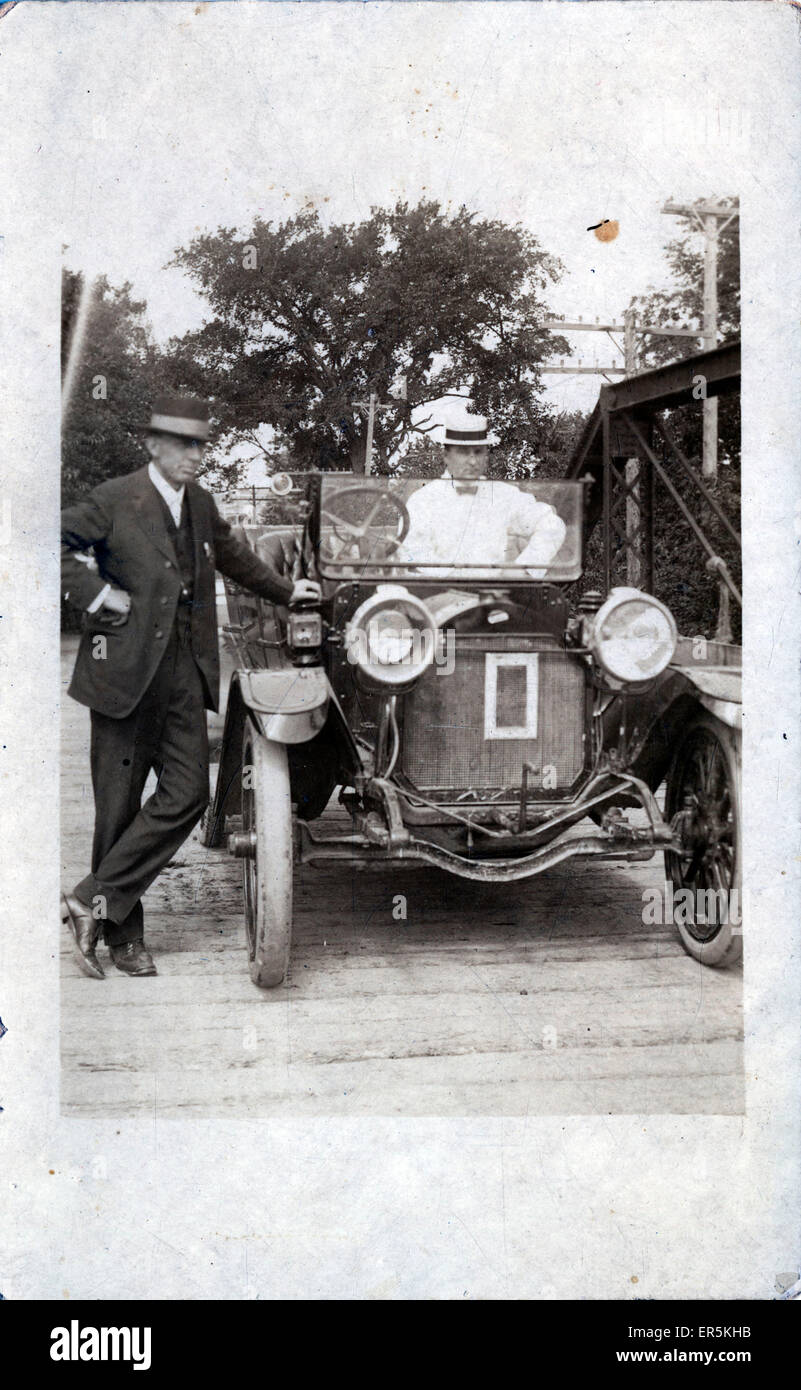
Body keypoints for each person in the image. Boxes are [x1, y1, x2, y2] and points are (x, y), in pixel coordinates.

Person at [61, 393, 320, 979]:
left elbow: (235, 558)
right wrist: (100, 595)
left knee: (189, 795)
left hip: (184, 673)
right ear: (153, 445)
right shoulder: (114, 497)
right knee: (118, 810)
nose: (194, 455)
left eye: (201, 445)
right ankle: (122, 939)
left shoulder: (200, 504)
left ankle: (86, 899)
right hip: (122, 675)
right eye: (183, 444)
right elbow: (52, 545)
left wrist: (289, 592)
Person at [399, 417, 566, 576]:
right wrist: (457, 580)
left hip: (494, 598)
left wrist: (524, 569)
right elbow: (412, 555)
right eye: (464, 452)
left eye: (478, 452)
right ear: (446, 456)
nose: (473, 461)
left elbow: (551, 524)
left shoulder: (503, 495)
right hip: (439, 598)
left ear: (486, 456)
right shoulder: (422, 500)